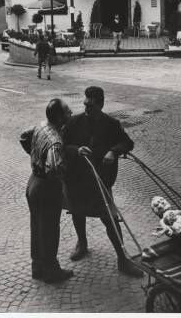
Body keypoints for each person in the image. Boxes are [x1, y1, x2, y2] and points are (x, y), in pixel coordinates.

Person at [63, 86, 142, 277]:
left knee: (110, 219)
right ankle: (82, 243)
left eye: (90, 105)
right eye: (85, 104)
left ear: (100, 104)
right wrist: (76, 150)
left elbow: (128, 143)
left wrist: (113, 151)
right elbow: (62, 145)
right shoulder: (74, 122)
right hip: (78, 179)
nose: (86, 108)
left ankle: (123, 260)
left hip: (101, 180)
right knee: (77, 212)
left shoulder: (111, 124)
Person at [24, 99, 74, 283]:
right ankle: (52, 272)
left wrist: (36, 157)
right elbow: (54, 169)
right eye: (68, 112)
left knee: (36, 226)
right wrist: (60, 179)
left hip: (33, 183)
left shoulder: (41, 126)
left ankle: (37, 266)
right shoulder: (56, 141)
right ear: (60, 117)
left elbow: (24, 137)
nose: (71, 113)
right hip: (46, 187)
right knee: (50, 229)